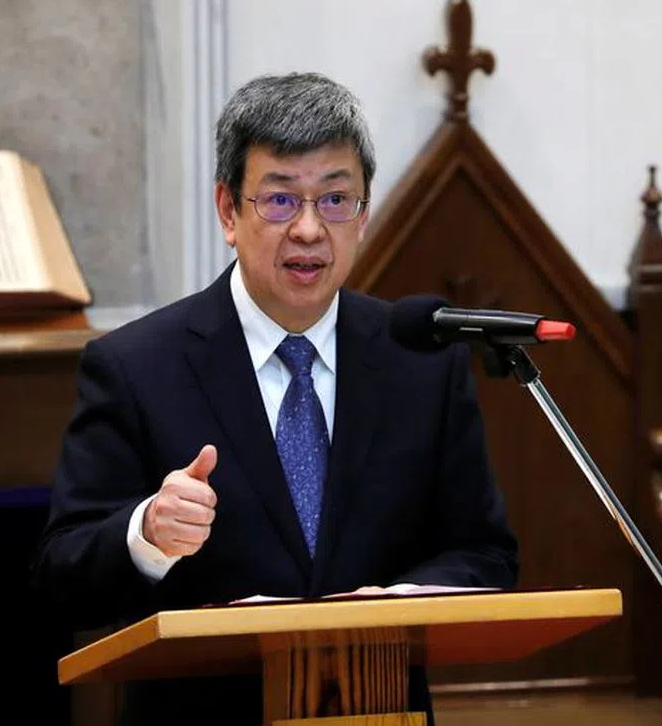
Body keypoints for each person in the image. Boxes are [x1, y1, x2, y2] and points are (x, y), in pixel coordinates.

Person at [31, 72, 518, 725]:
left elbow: (484, 553)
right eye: (281, 200)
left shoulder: (423, 361)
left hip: (379, 708)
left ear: (363, 215)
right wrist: (147, 533)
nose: (310, 230)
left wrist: (394, 603)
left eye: (336, 199)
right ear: (228, 211)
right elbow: (60, 575)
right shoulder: (136, 366)